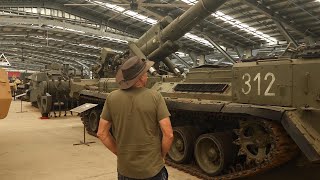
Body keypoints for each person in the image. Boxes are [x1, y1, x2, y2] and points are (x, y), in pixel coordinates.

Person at [97, 56, 174, 180]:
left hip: (125, 170)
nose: (147, 76)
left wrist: (120, 153)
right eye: (145, 73)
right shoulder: (155, 97)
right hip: (153, 169)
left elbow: (102, 133)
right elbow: (168, 134)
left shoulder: (112, 98)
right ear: (140, 77)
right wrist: (162, 156)